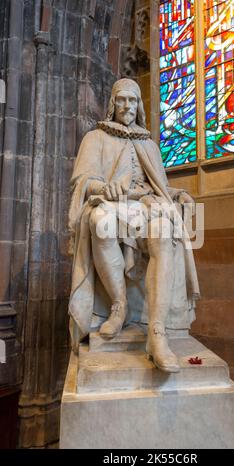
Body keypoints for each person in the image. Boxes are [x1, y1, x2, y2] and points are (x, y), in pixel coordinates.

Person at [68, 78, 200, 373]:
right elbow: (83, 181)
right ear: (112, 104)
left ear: (138, 105)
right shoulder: (95, 138)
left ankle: (156, 333)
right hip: (112, 206)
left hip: (148, 207)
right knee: (100, 222)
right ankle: (119, 304)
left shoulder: (149, 144)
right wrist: (103, 188)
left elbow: (161, 186)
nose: (126, 105)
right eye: (121, 99)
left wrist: (178, 194)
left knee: (164, 233)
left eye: (132, 100)